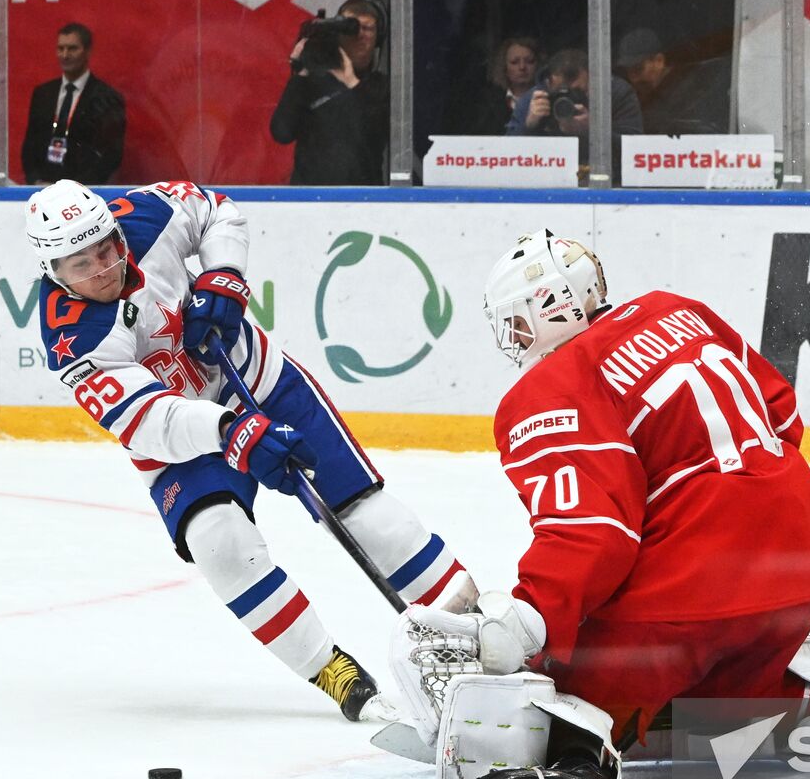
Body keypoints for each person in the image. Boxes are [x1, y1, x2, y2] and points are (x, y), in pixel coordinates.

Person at [390, 229, 810, 779]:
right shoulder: (680, 311)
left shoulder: (553, 384)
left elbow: (594, 532)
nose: (517, 339)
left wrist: (531, 619)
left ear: (553, 307)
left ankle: (575, 759)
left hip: (699, 581)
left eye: (518, 321)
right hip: (800, 566)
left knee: (570, 679)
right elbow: (785, 417)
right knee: (717, 700)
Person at [27, 178, 476, 721]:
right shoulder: (73, 339)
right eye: (82, 266)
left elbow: (218, 211)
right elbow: (148, 420)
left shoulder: (143, 214)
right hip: (181, 437)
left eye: (107, 250)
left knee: (361, 510)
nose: (104, 270)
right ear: (53, 271)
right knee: (221, 544)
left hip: (259, 379)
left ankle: (479, 628)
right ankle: (332, 669)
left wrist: (222, 276)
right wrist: (228, 432)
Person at [270, 0, 390, 184]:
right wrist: (302, 71)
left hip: (364, 202)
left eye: (368, 28)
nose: (360, 35)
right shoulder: (313, 81)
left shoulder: (381, 86)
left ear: (378, 38)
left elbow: (374, 131)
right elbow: (282, 132)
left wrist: (350, 82)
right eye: (351, 28)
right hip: (310, 201)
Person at [20, 22, 126, 186]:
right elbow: (30, 144)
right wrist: (35, 180)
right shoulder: (43, 93)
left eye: (72, 48)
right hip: (43, 190)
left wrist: (76, 188)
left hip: (84, 193)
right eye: (60, 48)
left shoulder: (107, 98)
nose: (65, 55)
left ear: (87, 51)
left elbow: (110, 155)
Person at [506, 49, 644, 170]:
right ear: (548, 83)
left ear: (593, 80)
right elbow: (506, 158)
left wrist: (593, 131)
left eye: (578, 92)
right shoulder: (534, 99)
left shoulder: (615, 93)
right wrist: (529, 126)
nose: (570, 100)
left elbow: (636, 152)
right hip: (549, 178)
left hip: (605, 179)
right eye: (560, 93)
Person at [615, 28, 730, 135]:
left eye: (638, 69)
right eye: (628, 72)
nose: (634, 79)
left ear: (659, 61)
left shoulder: (693, 88)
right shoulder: (639, 95)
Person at [457, 37, 542, 135]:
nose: (522, 67)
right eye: (514, 62)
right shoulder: (487, 104)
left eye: (529, 61)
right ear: (504, 67)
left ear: (538, 65)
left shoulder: (548, 99)